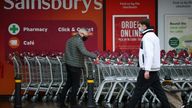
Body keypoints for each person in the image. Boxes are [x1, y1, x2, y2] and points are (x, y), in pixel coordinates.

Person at [125, 19, 170, 108]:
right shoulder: (154, 36)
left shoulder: (147, 37)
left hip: (148, 69)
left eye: (139, 26)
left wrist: (147, 70)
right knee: (159, 92)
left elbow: (149, 54)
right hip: (154, 69)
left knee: (137, 92)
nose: (138, 28)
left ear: (144, 26)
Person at [58, 28, 97, 108]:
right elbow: (84, 51)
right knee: (76, 85)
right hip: (75, 65)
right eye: (86, 36)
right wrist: (95, 56)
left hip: (68, 64)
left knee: (68, 83)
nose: (86, 37)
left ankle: (61, 102)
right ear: (81, 34)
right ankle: (73, 103)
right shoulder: (79, 40)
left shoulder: (70, 40)